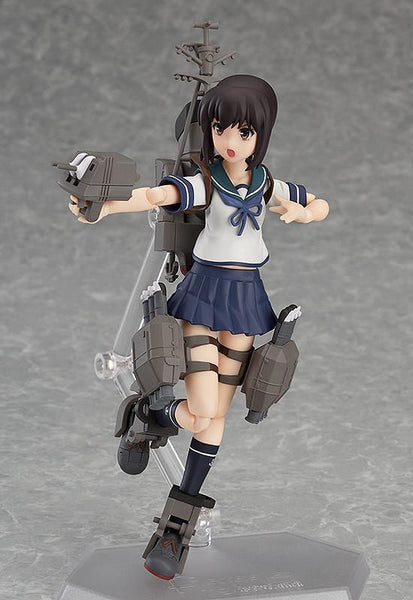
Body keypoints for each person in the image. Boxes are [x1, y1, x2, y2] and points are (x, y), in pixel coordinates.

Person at [69, 74, 329, 578]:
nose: (231, 140)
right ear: (209, 129)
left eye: (244, 132)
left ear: (260, 135)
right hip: (204, 296)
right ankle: (153, 411)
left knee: (215, 421)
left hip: (247, 301)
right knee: (203, 409)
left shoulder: (266, 183)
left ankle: (175, 527)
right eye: (220, 128)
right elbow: (154, 196)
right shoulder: (205, 182)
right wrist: (103, 209)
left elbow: (318, 202)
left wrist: (306, 212)